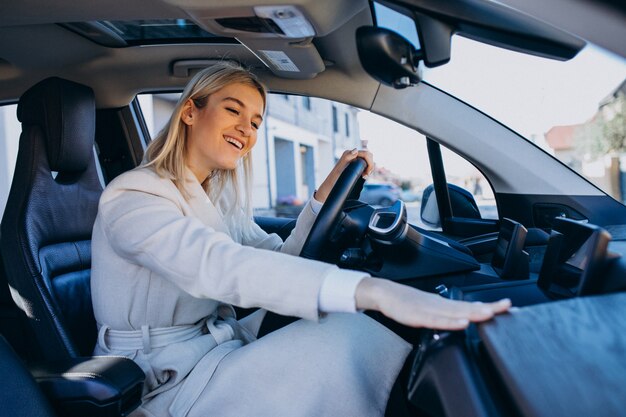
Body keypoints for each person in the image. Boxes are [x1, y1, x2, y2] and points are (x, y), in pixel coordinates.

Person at [91, 62, 510, 417]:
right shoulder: (134, 195)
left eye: (255, 122)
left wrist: (322, 199)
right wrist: (372, 291)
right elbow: (215, 265)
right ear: (189, 112)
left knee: (358, 331)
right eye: (233, 110)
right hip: (161, 381)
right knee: (353, 336)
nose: (246, 129)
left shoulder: (214, 199)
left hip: (214, 346)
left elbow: (283, 256)